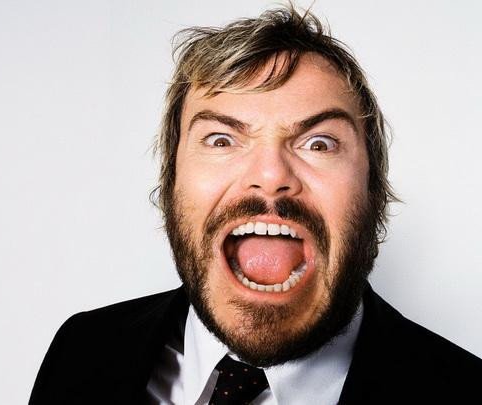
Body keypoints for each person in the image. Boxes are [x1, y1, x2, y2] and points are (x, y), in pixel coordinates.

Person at [30, 6, 482, 405]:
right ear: (169, 183)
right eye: (221, 140)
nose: (269, 176)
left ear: (374, 192)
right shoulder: (83, 350)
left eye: (319, 143)